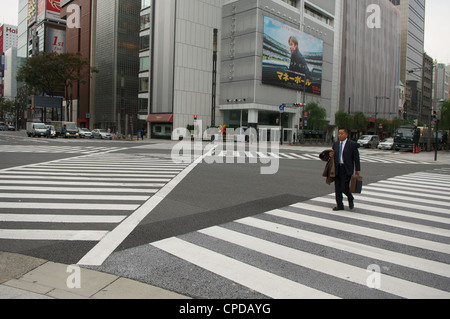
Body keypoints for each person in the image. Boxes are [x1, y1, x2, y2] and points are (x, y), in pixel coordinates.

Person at [330, 128, 361, 211]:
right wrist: (331, 155)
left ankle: (350, 198)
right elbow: (332, 156)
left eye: (341, 133)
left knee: (344, 187)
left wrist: (357, 169)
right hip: (337, 168)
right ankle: (340, 205)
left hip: (346, 168)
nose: (339, 135)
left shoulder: (351, 144)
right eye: (339, 134)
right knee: (337, 188)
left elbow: (356, 158)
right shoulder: (335, 144)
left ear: (346, 135)